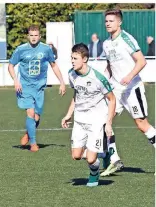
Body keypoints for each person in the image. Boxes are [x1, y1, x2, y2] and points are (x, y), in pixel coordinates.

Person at [101, 8, 155, 176]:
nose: (108, 24)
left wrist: (129, 76)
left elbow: (141, 61)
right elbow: (109, 66)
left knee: (142, 124)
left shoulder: (126, 39)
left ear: (119, 22)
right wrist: (103, 82)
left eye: (111, 21)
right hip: (116, 89)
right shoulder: (106, 43)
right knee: (104, 121)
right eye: (106, 21)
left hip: (132, 88)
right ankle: (115, 160)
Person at [62, 43, 116, 187]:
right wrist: (68, 115)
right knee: (76, 156)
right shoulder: (71, 74)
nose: (72, 61)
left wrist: (109, 123)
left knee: (91, 159)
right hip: (80, 119)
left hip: (96, 121)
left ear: (84, 59)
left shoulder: (98, 78)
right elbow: (76, 95)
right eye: (71, 58)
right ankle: (104, 153)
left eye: (75, 58)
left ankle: (94, 174)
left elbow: (112, 99)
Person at [8, 25, 66, 152]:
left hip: (40, 87)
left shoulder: (46, 49)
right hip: (25, 87)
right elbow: (11, 66)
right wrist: (16, 80)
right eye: (31, 35)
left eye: (36, 35)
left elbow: (54, 65)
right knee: (30, 112)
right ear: (27, 36)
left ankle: (29, 134)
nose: (33, 38)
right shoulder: (20, 50)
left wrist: (62, 82)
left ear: (40, 36)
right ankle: (33, 144)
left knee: (37, 117)